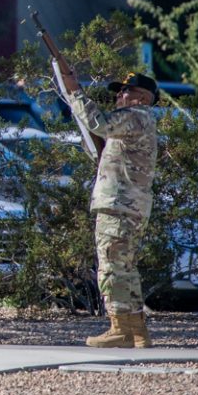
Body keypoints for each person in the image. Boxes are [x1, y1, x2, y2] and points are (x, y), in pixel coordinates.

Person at [70, 72, 160, 349]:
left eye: (127, 91)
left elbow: (100, 122)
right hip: (127, 206)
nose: (120, 96)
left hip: (120, 206)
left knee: (111, 268)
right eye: (119, 91)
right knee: (126, 269)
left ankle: (119, 328)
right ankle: (136, 330)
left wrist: (74, 94)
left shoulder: (137, 115)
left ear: (143, 97)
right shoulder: (137, 121)